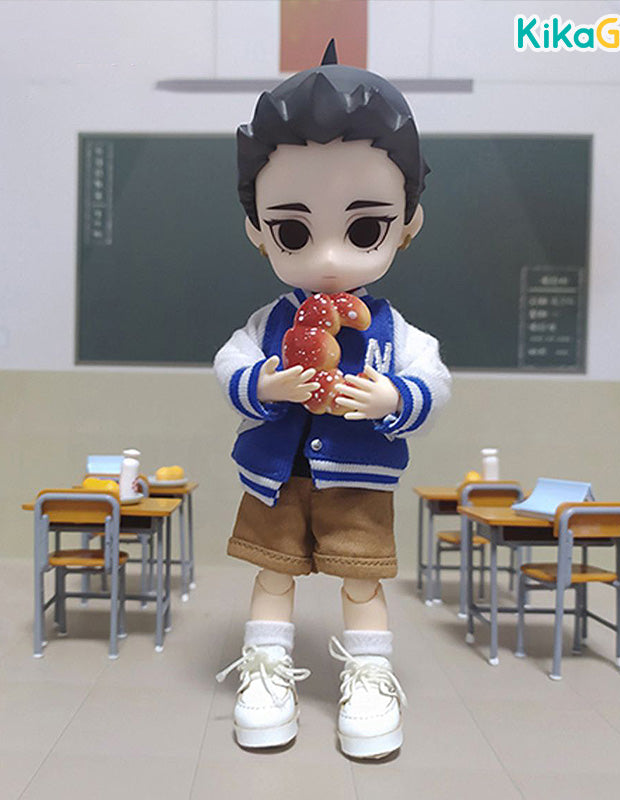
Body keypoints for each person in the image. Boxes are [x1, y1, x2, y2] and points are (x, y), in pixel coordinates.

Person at [214, 40, 451, 759]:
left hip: (358, 482)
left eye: (364, 227)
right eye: (292, 230)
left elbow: (433, 381)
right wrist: (265, 385)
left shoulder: (395, 329)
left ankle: (370, 681)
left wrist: (392, 397)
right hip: (275, 477)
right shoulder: (270, 322)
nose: (326, 257)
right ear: (258, 230)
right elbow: (230, 362)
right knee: (272, 573)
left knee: (361, 585)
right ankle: (265, 674)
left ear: (407, 223)